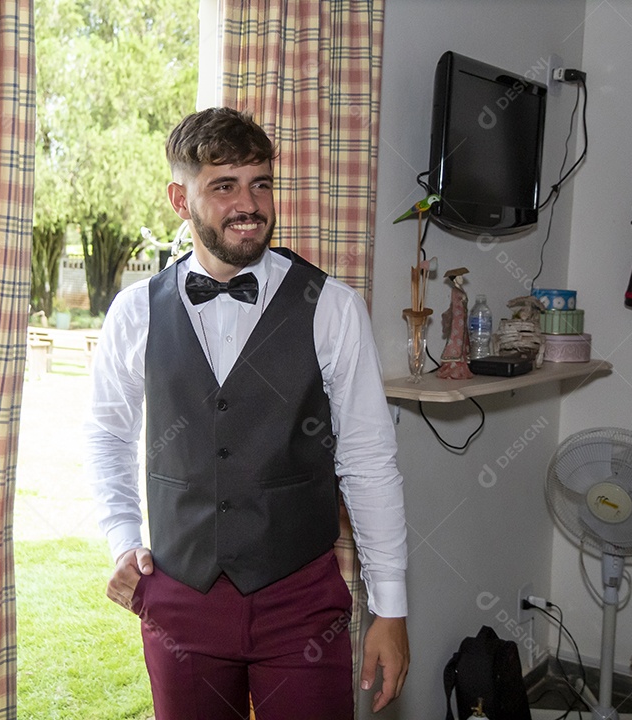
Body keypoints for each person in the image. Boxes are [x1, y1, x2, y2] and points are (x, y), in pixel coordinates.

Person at [84, 106, 409, 719]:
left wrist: (390, 607)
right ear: (180, 198)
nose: (249, 203)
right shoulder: (135, 311)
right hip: (180, 599)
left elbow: (368, 460)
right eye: (224, 185)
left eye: (260, 182)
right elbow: (107, 435)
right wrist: (124, 539)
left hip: (301, 602)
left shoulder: (331, 307)